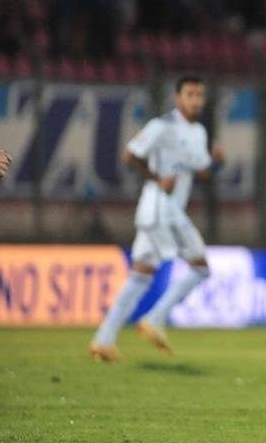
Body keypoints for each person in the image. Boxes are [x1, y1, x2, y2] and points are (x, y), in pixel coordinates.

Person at [89, 76, 225, 362]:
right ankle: (156, 318)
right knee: (200, 268)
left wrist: (217, 163)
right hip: (161, 209)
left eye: (200, 95)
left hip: (165, 213)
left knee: (140, 275)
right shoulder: (162, 126)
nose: (196, 100)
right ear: (178, 98)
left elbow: (201, 173)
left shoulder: (198, 132)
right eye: (190, 94)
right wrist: (156, 178)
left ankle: (104, 339)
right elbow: (130, 155)